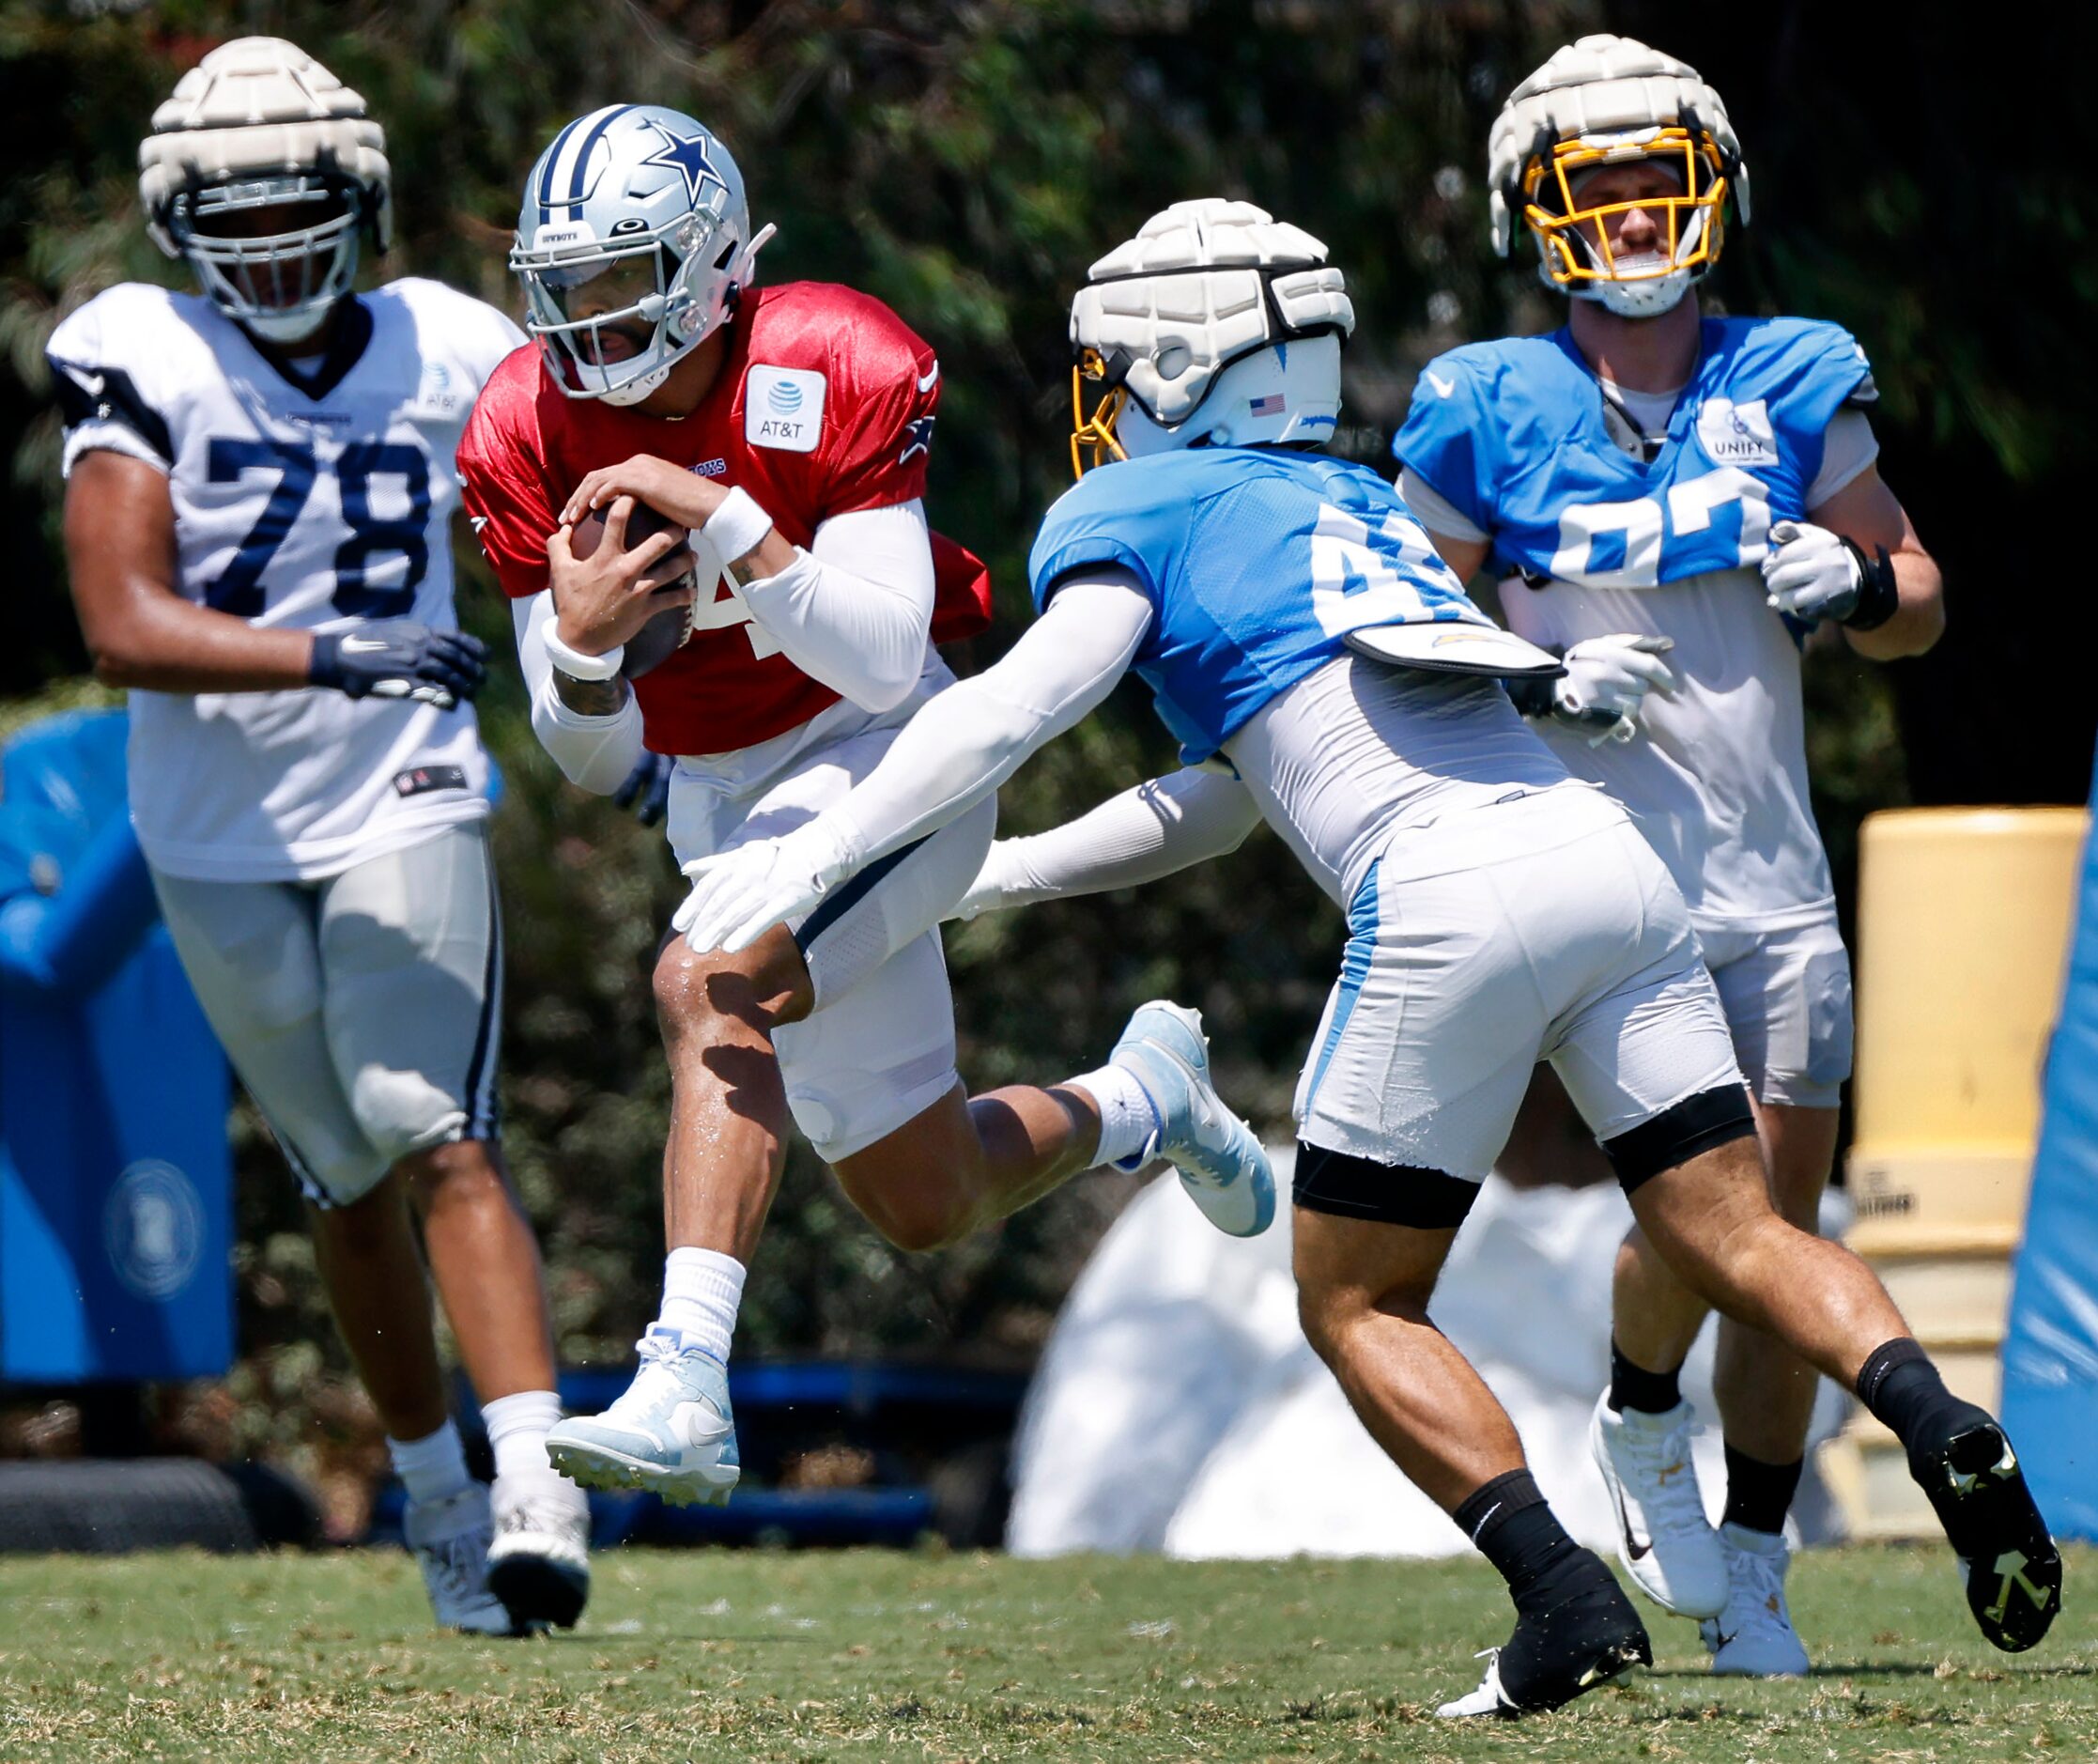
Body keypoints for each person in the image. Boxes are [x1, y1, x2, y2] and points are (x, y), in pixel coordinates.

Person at [671, 198, 2059, 1716]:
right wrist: (994, 881)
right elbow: (1224, 799)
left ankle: (1560, 1596)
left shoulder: (1138, 511)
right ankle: (1933, 1416)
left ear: (1172, 366)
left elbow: (1003, 711)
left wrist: (816, 859)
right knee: (1733, 1227)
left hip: (1446, 898)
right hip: (1608, 861)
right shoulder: (1355, 504)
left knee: (1352, 1300)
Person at [455, 105, 1273, 1508]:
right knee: (923, 1194)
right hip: (718, 799)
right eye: (565, 287)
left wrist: (722, 522)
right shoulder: (523, 425)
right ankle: (1144, 1096)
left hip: (888, 768)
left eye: (619, 278)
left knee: (710, 981)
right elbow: (593, 764)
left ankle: (682, 1379)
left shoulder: (826, 357)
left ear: (711, 263)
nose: (586, 321)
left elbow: (890, 652)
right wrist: (584, 655)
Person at [1389, 34, 1947, 1678]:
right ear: (1540, 213)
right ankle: (1642, 1420)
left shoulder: (1786, 371)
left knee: (1784, 1212)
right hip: (1604, 878)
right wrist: (1536, 668)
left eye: (1656, 180)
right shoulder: (1487, 399)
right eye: (1597, 186)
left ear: (1710, 188)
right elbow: (1392, 622)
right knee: (1703, 1224)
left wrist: (1857, 595)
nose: (1633, 215)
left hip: (1770, 868)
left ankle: (1756, 1560)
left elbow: (1917, 592)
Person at [47, 38, 588, 1634]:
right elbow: (120, 619)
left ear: (360, 206)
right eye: (244, 224)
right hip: (215, 823)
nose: (277, 254)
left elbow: (558, 523)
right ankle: (431, 1498)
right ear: (178, 228)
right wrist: (335, 650)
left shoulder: (449, 342)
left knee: (438, 1125)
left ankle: (536, 1478)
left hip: (400, 784)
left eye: (303, 218)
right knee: (343, 1174)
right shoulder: (143, 351)